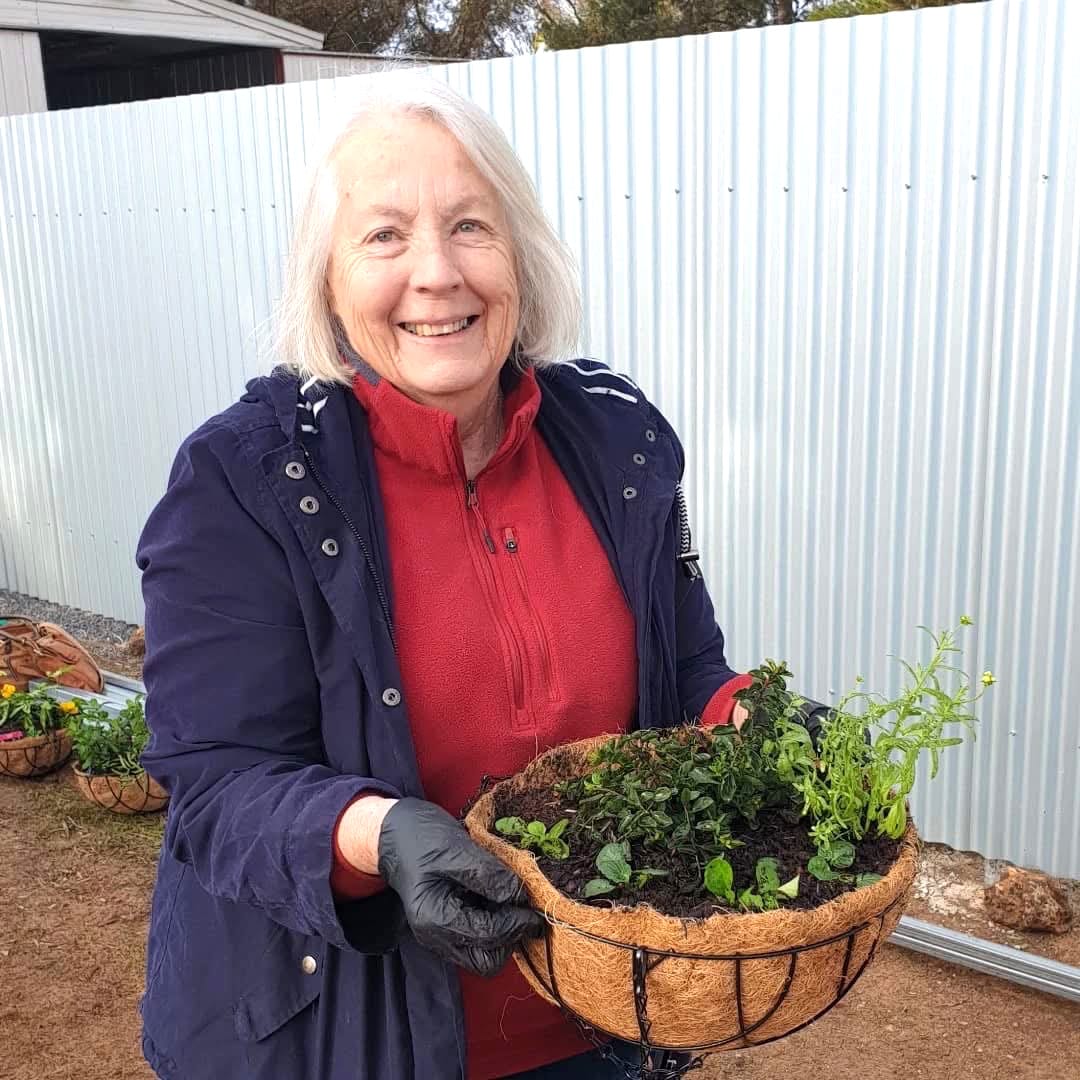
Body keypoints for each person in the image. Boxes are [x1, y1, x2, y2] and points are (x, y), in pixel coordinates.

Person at [136, 77, 753, 1080]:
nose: (437, 273)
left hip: (602, 1023)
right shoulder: (243, 482)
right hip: (347, 1040)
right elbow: (216, 788)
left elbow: (682, 669)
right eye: (384, 236)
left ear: (520, 255)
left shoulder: (613, 442)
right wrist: (377, 834)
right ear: (327, 277)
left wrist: (747, 716)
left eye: (471, 225)